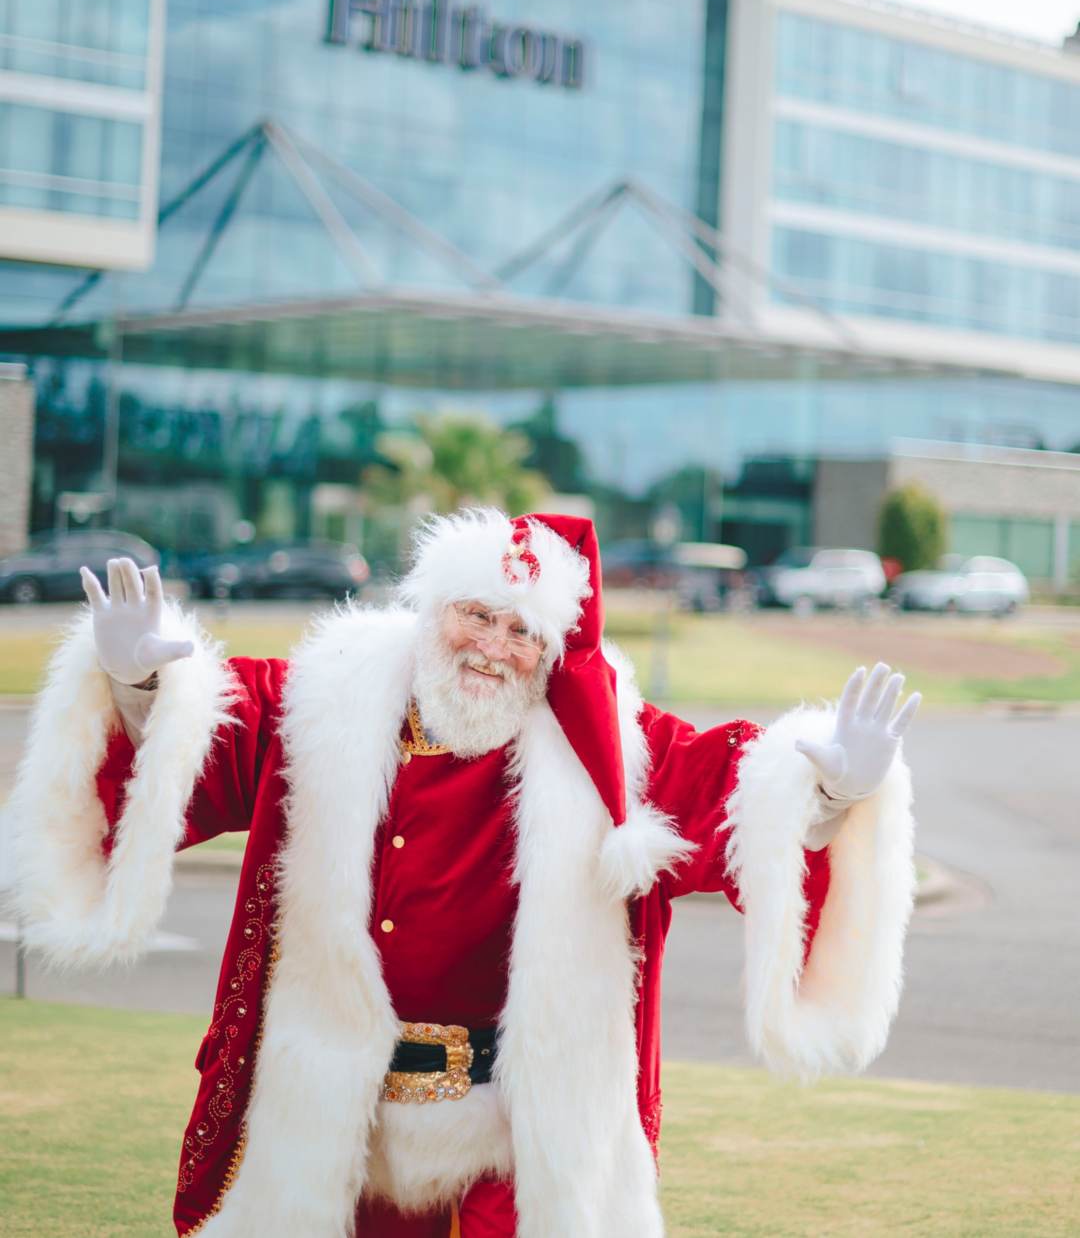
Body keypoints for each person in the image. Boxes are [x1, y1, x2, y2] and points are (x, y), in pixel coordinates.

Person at [8, 510, 920, 1238]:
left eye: (522, 631)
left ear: (552, 650)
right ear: (433, 608)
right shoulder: (326, 700)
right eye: (475, 615)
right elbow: (215, 738)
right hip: (334, 1106)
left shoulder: (612, 754)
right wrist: (135, 688)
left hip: (514, 1133)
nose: (491, 645)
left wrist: (832, 785)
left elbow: (733, 792)